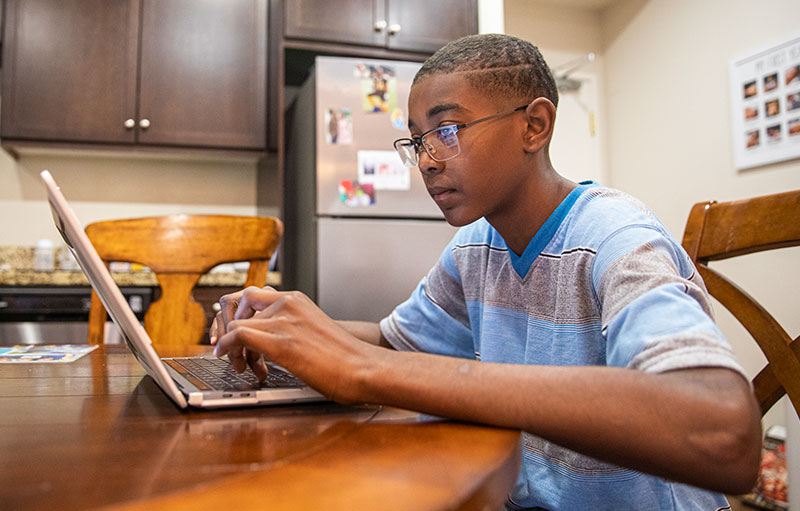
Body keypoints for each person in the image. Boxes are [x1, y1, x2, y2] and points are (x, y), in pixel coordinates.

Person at [211, 34, 761, 510]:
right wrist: (294, 326)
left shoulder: (614, 238)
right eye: (419, 140)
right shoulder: (476, 245)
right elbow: (395, 345)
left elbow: (720, 431)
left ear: (535, 126)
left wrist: (362, 370)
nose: (427, 159)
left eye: (447, 129)